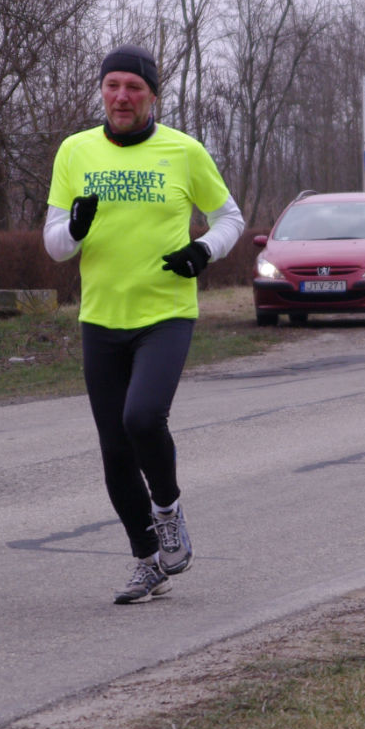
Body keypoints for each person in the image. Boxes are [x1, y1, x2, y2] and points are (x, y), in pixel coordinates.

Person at [44, 46, 244, 604]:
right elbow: (55, 246)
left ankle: (168, 509)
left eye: (134, 87)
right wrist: (75, 228)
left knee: (142, 417)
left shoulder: (183, 151)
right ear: (102, 91)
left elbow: (230, 218)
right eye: (113, 85)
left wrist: (203, 251)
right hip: (101, 318)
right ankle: (147, 560)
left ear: (153, 95)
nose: (122, 96)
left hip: (165, 313)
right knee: (114, 450)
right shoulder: (75, 150)